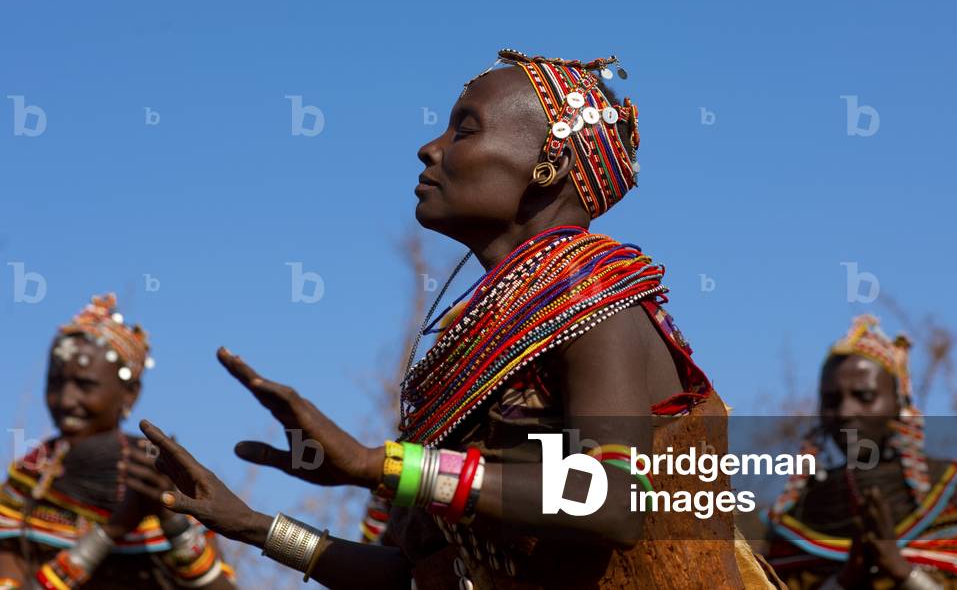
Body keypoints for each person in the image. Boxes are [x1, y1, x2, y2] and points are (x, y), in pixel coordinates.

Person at [138, 49, 780, 588]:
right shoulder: (485, 344)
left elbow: (608, 504)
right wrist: (255, 527)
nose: (429, 148)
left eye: (463, 129)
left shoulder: (598, 309)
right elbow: (420, 577)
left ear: (546, 166)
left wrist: (380, 465)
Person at [0, 294, 236, 590]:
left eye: (86, 385)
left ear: (130, 394)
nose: (66, 400)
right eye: (56, 383)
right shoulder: (28, 481)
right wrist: (111, 531)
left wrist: (171, 518)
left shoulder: (161, 472)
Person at [765, 315, 957, 589]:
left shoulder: (950, 499)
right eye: (832, 400)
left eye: (865, 397)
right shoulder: (797, 514)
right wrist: (845, 579)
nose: (845, 412)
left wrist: (900, 568)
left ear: (898, 403)